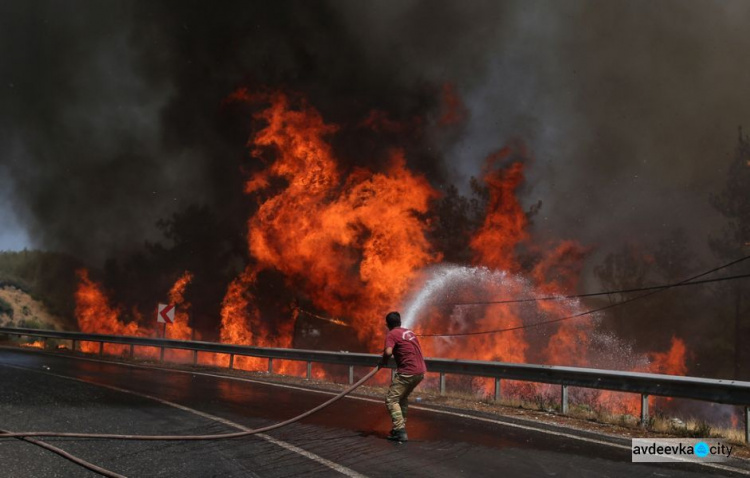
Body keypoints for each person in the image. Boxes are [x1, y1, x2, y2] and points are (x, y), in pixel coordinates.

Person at [378, 311, 427, 442]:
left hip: (407, 372)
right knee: (402, 398)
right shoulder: (409, 332)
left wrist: (383, 361)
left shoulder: (391, 334)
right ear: (400, 322)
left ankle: (399, 430)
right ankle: (399, 427)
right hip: (420, 372)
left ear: (387, 324)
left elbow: (388, 352)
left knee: (391, 399)